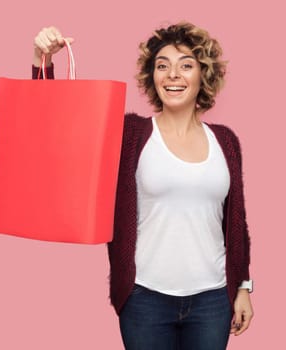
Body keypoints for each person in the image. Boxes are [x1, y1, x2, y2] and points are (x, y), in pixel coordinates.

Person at [32, 22, 254, 349]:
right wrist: (42, 60)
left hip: (213, 301)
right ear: (152, 76)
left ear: (203, 75)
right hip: (145, 300)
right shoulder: (129, 135)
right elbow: (57, 131)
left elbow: (235, 222)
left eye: (186, 65)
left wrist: (243, 287)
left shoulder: (226, 141)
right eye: (162, 66)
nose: (173, 74)